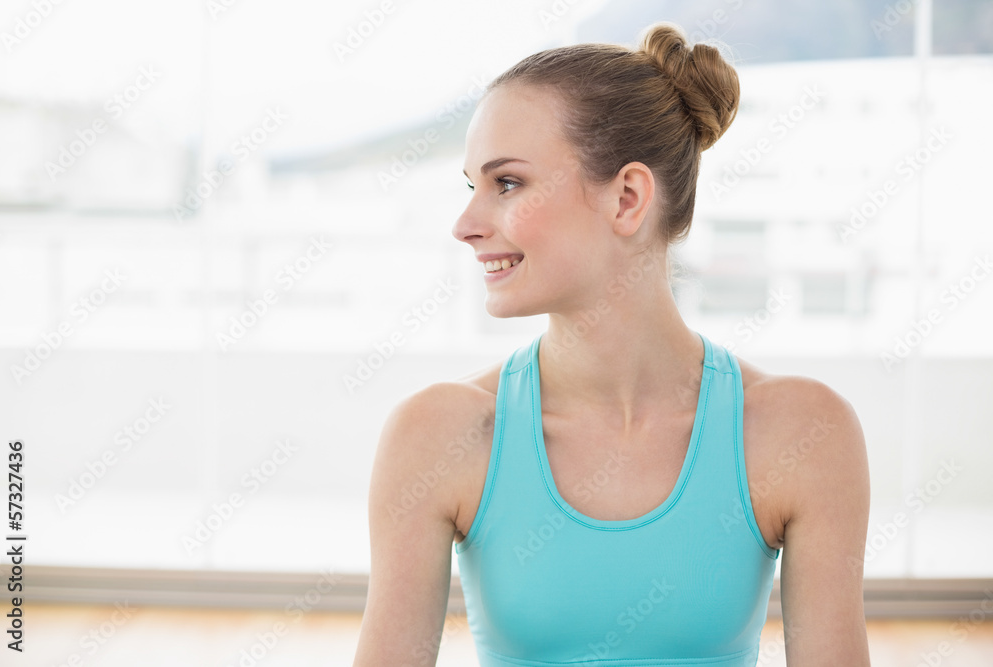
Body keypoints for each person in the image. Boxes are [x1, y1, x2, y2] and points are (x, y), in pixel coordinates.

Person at [354, 21, 871, 667]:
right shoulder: (436, 435)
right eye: (471, 187)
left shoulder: (804, 432)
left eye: (506, 183)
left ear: (627, 198)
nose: (465, 224)